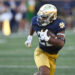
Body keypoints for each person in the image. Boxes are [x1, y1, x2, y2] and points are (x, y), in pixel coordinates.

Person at [25, 4, 66, 75]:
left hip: (53, 55)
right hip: (41, 51)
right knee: (45, 73)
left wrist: (49, 39)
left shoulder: (58, 24)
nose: (40, 19)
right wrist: (30, 37)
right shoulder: (36, 20)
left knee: (44, 73)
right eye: (40, 16)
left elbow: (61, 43)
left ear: (52, 17)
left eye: (43, 17)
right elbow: (33, 25)